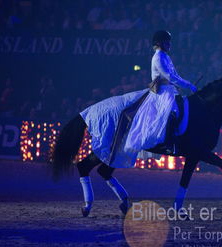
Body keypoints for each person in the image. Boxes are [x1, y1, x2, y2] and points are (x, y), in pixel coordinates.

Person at [79, 30, 196, 169]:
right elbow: (169, 77)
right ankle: (169, 143)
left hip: (171, 91)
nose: (169, 43)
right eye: (166, 41)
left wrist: (183, 85)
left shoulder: (166, 56)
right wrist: (188, 84)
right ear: (159, 43)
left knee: (184, 110)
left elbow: (175, 74)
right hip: (161, 93)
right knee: (173, 111)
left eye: (169, 41)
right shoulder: (158, 57)